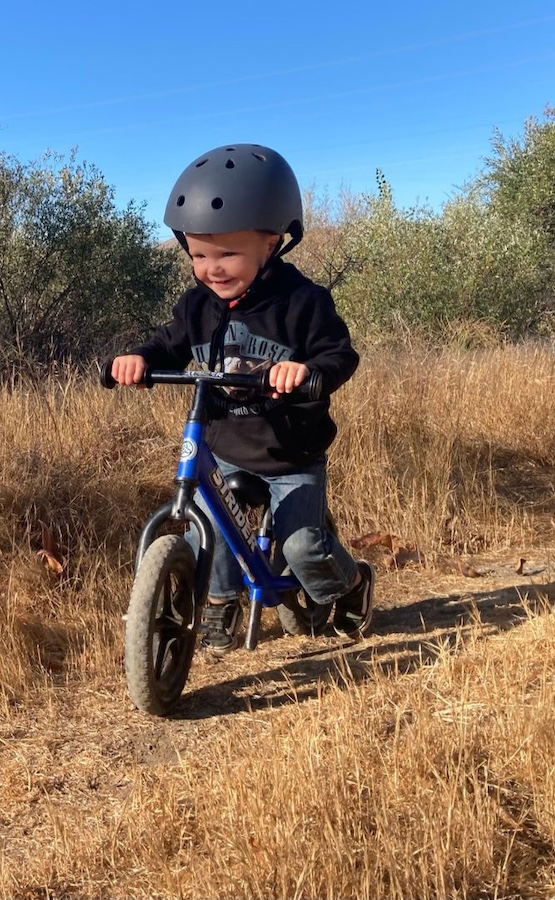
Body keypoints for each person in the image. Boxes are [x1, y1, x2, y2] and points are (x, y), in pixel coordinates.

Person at [110, 143, 374, 653]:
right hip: (226, 445)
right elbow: (168, 344)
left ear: (272, 243)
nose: (212, 269)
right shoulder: (197, 306)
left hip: (291, 452)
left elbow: (339, 355)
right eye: (199, 255)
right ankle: (218, 600)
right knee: (210, 526)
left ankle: (352, 584)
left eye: (227, 254)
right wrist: (138, 359)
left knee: (303, 548)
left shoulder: (303, 302)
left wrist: (308, 371)